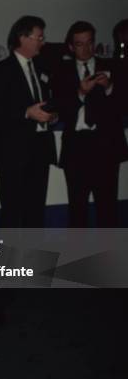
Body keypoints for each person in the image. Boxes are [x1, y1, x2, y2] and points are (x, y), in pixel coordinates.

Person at [52, 21, 128, 227]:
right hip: (76, 148)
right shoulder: (61, 72)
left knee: (108, 209)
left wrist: (110, 87)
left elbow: (123, 106)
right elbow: (58, 108)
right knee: (78, 211)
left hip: (106, 147)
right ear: (71, 47)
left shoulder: (113, 67)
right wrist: (80, 93)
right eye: (79, 44)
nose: (85, 49)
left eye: (89, 42)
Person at [0, 15, 58, 228]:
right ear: (23, 38)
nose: (42, 41)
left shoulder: (42, 67)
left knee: (36, 213)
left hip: (40, 149)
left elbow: (48, 101)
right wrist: (26, 113)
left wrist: (52, 115)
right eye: (39, 37)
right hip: (12, 153)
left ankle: (35, 260)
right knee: (12, 213)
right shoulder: (1, 69)